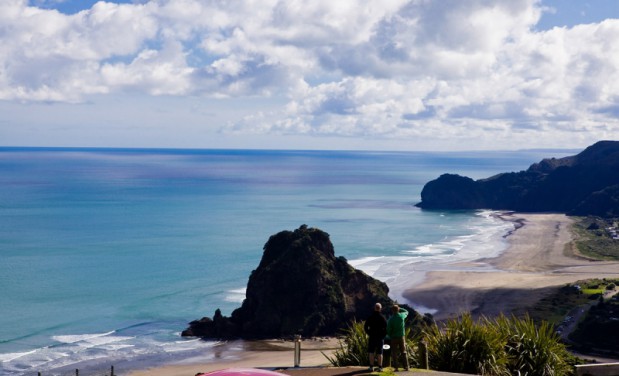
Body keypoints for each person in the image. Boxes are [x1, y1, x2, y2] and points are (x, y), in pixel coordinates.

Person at [364, 302, 387, 372]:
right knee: (380, 352)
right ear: (380, 309)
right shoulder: (382, 318)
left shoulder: (370, 317)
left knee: (371, 352)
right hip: (380, 337)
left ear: (374, 308)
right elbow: (386, 328)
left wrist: (369, 333)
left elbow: (365, 327)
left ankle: (371, 367)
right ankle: (380, 367)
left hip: (372, 337)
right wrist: (383, 335)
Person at [386, 304, 410, 371]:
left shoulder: (390, 319)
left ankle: (396, 367)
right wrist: (400, 308)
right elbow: (406, 311)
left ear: (392, 311)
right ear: (398, 310)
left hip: (394, 337)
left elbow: (388, 329)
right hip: (401, 337)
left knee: (394, 353)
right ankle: (406, 366)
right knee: (403, 352)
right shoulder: (402, 316)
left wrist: (390, 335)